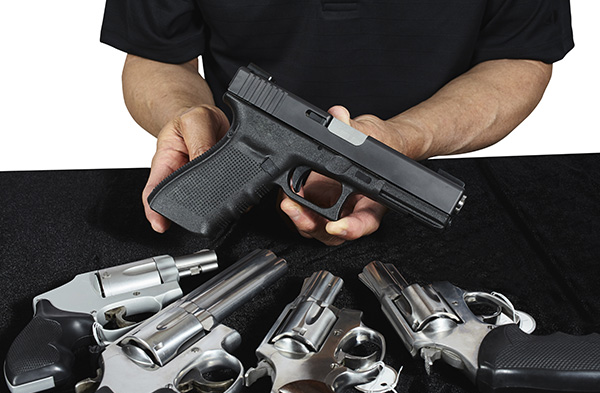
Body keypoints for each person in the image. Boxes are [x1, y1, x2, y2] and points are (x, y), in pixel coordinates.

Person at [101, 1, 573, 246]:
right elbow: (155, 57)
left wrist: (404, 141)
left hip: (422, 167)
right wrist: (191, 118)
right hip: (239, 176)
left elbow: (521, 57)